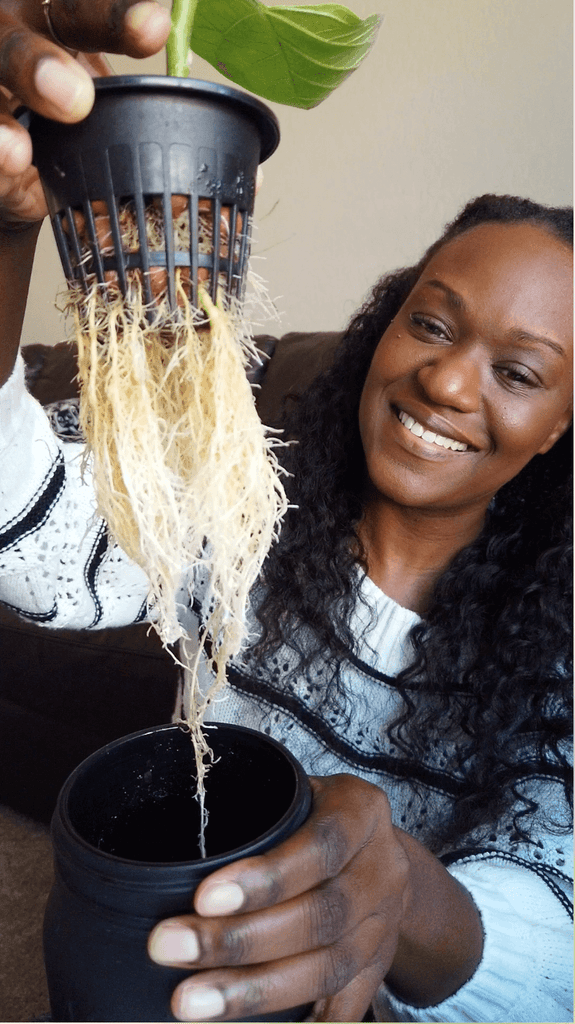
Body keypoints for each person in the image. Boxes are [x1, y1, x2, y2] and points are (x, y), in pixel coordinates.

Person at [0, 3, 572, 1021]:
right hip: (145, 942)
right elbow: (43, 540)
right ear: (383, 320)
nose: (445, 380)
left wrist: (402, 889)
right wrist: (9, 229)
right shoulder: (252, 497)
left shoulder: (555, 631)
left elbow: (555, 937)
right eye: (429, 321)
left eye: (518, 372)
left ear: (558, 428)